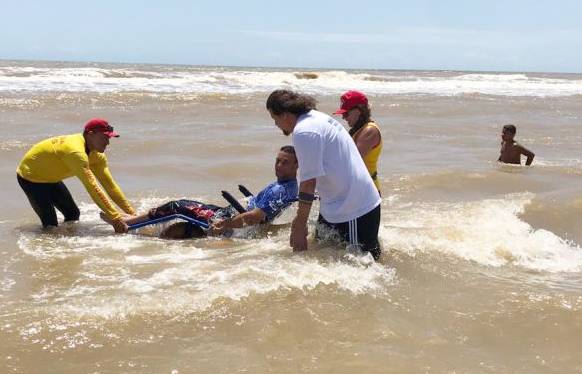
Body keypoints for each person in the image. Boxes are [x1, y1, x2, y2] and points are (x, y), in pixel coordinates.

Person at [266, 88, 382, 258]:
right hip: (333, 207)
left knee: (362, 267)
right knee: (318, 256)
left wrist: (300, 224)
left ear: (284, 114)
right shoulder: (315, 118)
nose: (275, 124)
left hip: (355, 209)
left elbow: (308, 183)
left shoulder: (304, 131)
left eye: (274, 118)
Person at [109, 145, 300, 238]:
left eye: (285, 162)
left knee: (177, 206)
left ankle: (127, 224)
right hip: (230, 213)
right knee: (191, 215)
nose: (279, 166)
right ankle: (135, 224)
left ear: (297, 166)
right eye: (277, 160)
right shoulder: (291, 186)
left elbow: (253, 218)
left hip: (227, 217)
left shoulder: (280, 190)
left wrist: (225, 224)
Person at [16, 119, 132, 228]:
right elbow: (92, 187)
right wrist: (116, 218)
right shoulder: (76, 152)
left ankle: (68, 241)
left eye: (109, 138)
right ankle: (48, 246)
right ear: (90, 134)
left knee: (72, 214)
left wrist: (131, 213)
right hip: (31, 178)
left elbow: (110, 186)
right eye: (104, 138)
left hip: (51, 178)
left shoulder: (97, 156)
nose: (107, 143)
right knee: (50, 223)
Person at [338, 90, 385, 182]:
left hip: (369, 192)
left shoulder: (369, 131)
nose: (344, 118)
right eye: (343, 114)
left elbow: (351, 163)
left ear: (359, 110)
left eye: (346, 113)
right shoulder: (358, 130)